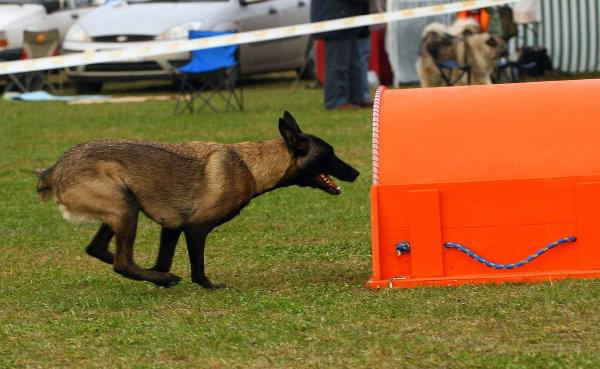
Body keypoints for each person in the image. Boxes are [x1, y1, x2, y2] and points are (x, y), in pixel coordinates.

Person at [311, 0, 371, 110]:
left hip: (349, 14)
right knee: (338, 64)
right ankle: (336, 100)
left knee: (355, 62)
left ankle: (357, 97)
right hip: (336, 15)